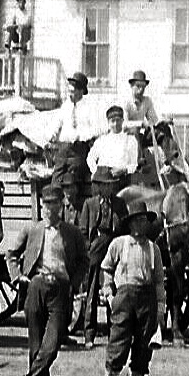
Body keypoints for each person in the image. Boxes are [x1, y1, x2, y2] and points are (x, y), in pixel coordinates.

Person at [0, 185, 88, 376]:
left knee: (52, 345)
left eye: (53, 204)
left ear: (61, 205)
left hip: (60, 290)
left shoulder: (72, 232)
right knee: (36, 346)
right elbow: (11, 255)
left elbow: (83, 261)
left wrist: (74, 283)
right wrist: (17, 276)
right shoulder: (33, 230)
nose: (49, 209)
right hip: (36, 287)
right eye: (45, 204)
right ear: (41, 206)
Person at [95, 199, 167, 376]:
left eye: (144, 221)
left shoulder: (154, 249)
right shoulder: (119, 244)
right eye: (137, 221)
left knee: (142, 352)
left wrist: (161, 308)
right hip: (124, 299)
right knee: (117, 348)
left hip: (146, 301)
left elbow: (159, 281)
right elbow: (106, 269)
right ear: (130, 223)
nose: (141, 225)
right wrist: (109, 295)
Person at [71, 167, 124, 348]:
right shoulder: (90, 204)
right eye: (105, 186)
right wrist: (88, 251)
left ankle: (114, 332)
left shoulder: (119, 204)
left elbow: (124, 229)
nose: (108, 189)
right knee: (92, 291)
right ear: (99, 187)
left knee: (113, 290)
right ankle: (89, 335)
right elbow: (84, 231)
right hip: (96, 248)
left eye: (110, 185)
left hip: (114, 247)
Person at [52, 73, 106, 219]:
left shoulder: (89, 108)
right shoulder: (65, 106)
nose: (71, 91)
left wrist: (81, 135)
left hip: (79, 149)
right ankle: (55, 213)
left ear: (81, 90)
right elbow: (57, 123)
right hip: (63, 148)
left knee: (72, 179)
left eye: (74, 89)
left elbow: (98, 129)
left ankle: (71, 216)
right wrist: (51, 136)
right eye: (70, 88)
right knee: (56, 179)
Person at [86, 106, 141, 185]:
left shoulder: (130, 140)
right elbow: (90, 158)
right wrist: (97, 172)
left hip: (121, 179)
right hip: (102, 181)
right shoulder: (101, 140)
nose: (115, 124)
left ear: (122, 121)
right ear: (108, 122)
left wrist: (124, 170)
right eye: (112, 121)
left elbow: (133, 164)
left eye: (118, 120)